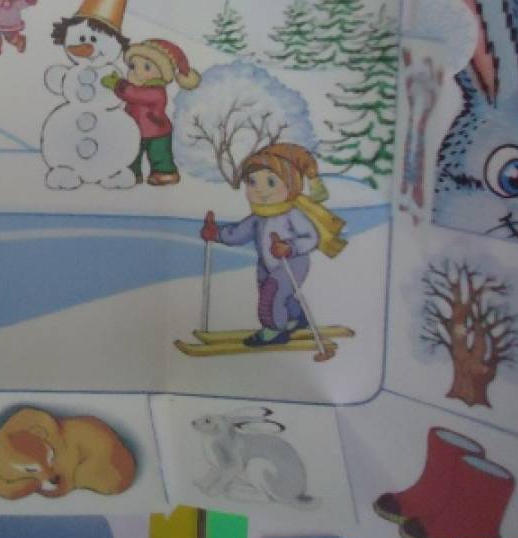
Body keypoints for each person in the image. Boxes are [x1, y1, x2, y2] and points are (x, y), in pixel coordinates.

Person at [200, 143, 346, 347]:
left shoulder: (292, 214)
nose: (259, 189)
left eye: (270, 182)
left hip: (292, 263)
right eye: (252, 182)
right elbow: (239, 233)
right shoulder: (259, 216)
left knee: (272, 296)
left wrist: (290, 247)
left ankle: (274, 330)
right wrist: (216, 233)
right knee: (275, 292)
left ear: (291, 185)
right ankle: (295, 317)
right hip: (267, 264)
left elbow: (310, 237)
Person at [102, 37, 200, 185]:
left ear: (162, 74)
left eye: (147, 67)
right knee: (131, 153)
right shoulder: (136, 85)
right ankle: (131, 173)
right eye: (133, 66)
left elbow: (133, 94)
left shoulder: (157, 91)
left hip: (156, 131)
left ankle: (165, 173)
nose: (136, 71)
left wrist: (118, 84)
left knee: (159, 155)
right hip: (134, 129)